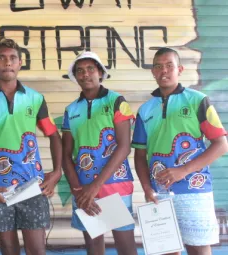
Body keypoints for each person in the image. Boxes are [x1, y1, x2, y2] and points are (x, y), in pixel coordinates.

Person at [0, 38, 62, 255]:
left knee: (36, 249)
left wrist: (56, 172)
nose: (7, 62)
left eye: (12, 58)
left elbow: (54, 136)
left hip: (31, 185)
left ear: (20, 63)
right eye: (1, 58)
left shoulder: (35, 99)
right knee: (8, 249)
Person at [132, 47, 228, 255]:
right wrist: (147, 189)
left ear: (180, 69)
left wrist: (183, 170)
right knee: (166, 250)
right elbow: (140, 155)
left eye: (169, 65)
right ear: (153, 72)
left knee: (199, 249)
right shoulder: (145, 110)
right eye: (158, 66)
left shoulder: (197, 100)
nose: (164, 71)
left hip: (195, 190)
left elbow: (221, 145)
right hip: (160, 193)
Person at [61, 51, 137, 255]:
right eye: (80, 71)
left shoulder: (116, 101)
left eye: (90, 69)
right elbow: (65, 155)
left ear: (101, 73)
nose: (85, 74)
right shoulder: (71, 110)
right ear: (75, 77)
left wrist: (95, 186)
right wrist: (78, 191)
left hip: (115, 185)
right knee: (94, 247)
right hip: (84, 188)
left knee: (126, 246)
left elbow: (124, 147)